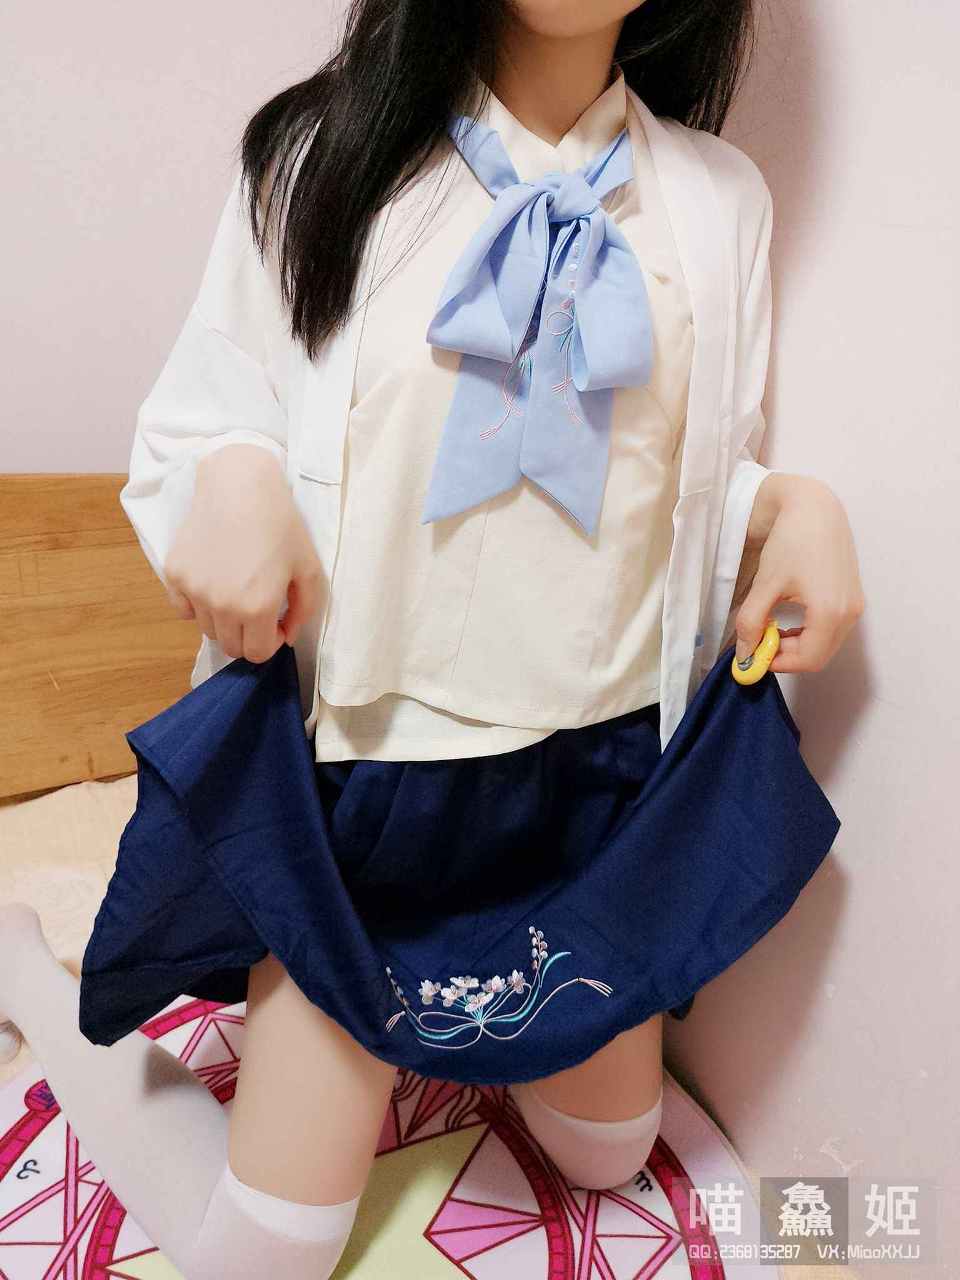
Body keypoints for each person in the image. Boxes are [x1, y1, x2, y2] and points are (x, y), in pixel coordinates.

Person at [0, 1, 864, 1276]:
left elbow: (689, 476)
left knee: (610, 1152)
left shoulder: (719, 199)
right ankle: (32, 973)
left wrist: (794, 507)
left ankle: (470, 1026)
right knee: (266, 1255)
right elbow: (209, 411)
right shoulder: (317, 156)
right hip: (362, 791)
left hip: (593, 792)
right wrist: (233, 472)